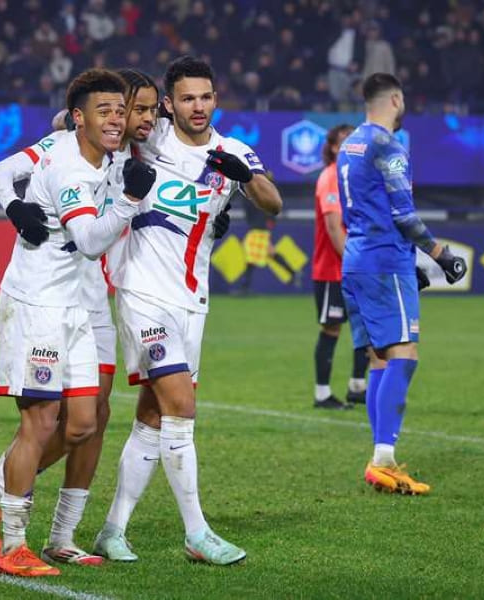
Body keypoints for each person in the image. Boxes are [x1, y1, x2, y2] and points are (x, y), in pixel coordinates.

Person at [0, 68, 165, 568]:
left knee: (83, 423)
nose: (122, 119)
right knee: (42, 421)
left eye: (125, 110)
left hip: (76, 305)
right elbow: (90, 242)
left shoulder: (112, 157)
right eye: (109, 110)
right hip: (38, 304)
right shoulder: (66, 162)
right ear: (78, 118)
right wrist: (130, 200)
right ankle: (13, 544)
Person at [93, 56, 283, 565]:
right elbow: (80, 122)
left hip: (192, 300)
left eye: (205, 97)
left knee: (153, 417)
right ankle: (197, 534)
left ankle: (112, 530)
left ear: (215, 99)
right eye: (187, 99)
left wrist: (244, 176)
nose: (197, 107)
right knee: (181, 407)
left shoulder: (233, 151)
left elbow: (273, 203)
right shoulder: (148, 136)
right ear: (170, 104)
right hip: (141, 294)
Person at [337, 73, 466, 495]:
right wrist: (441, 255)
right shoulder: (389, 146)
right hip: (384, 261)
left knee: (379, 359)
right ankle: (383, 458)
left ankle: (381, 456)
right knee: (405, 354)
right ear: (395, 98)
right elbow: (404, 215)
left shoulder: (349, 144)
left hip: (355, 260)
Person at [311, 123, 370, 410]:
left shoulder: (357, 177)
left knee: (366, 327)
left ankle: (358, 386)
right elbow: (335, 229)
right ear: (333, 147)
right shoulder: (331, 176)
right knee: (332, 329)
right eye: (344, 141)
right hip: (333, 270)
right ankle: (322, 394)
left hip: (353, 267)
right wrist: (357, 265)